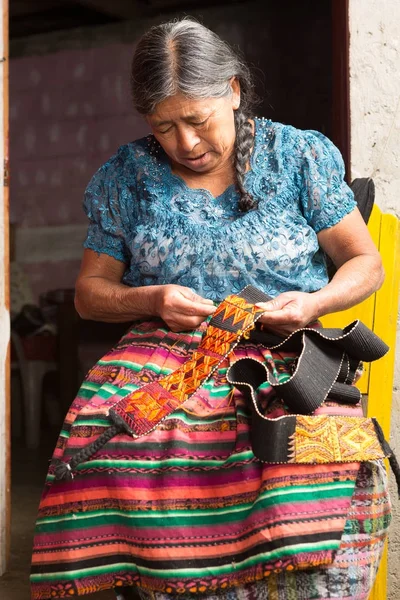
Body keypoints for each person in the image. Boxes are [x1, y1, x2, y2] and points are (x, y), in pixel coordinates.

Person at [31, 18, 391, 600]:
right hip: (161, 355)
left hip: (284, 352)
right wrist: (150, 298)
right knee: (111, 445)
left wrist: (315, 303)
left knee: (318, 464)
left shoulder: (299, 156)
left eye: (197, 121)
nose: (186, 144)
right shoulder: (126, 176)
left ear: (234, 90)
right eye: (164, 127)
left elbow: (365, 264)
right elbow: (89, 295)